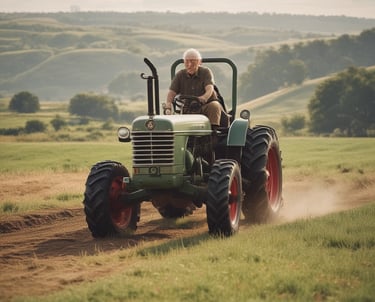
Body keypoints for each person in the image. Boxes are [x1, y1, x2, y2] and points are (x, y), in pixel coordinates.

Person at [163, 48, 228, 129]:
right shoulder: (180, 75)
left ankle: (213, 133)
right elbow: (171, 92)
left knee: (214, 106)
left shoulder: (205, 72)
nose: (189, 65)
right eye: (187, 62)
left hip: (204, 106)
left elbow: (209, 88)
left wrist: (204, 98)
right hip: (188, 108)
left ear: (199, 62)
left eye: (193, 62)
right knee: (173, 115)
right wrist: (168, 104)